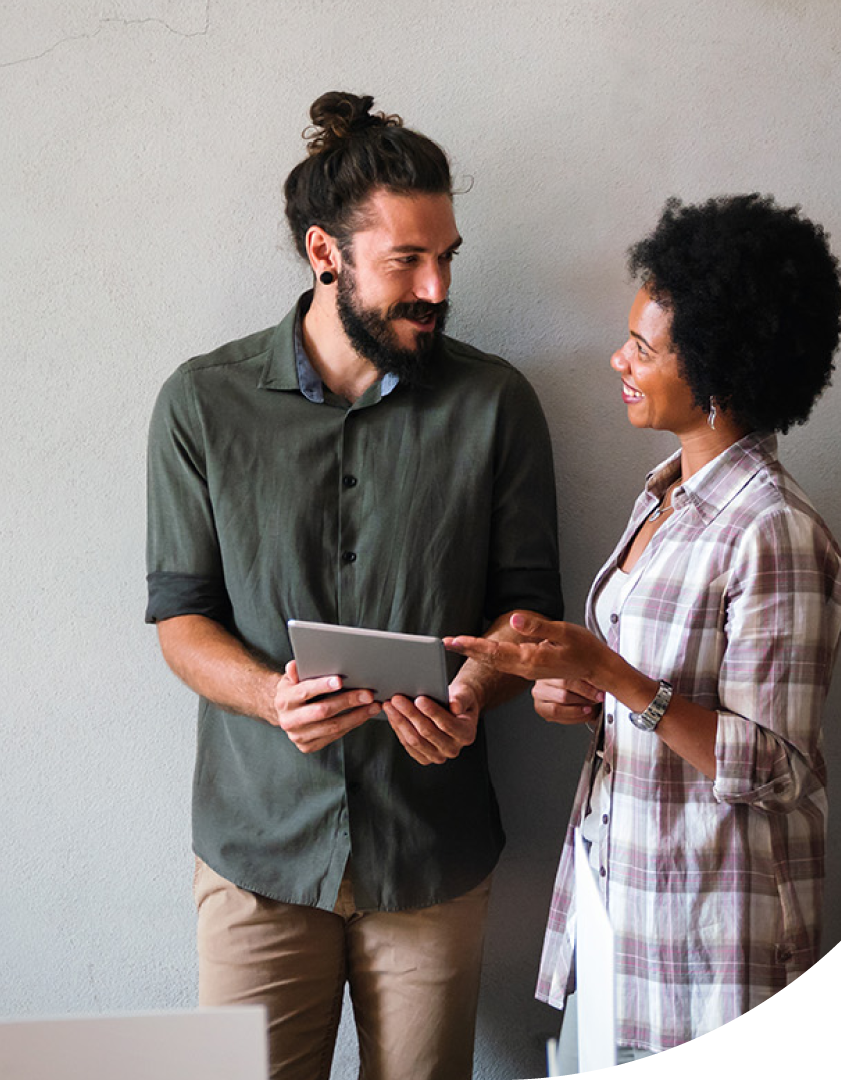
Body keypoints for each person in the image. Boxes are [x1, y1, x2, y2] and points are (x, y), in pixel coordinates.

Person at [145, 92, 562, 1080]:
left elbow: (527, 617)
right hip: (256, 853)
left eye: (446, 258)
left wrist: (475, 689)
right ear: (324, 254)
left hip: (430, 853)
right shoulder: (201, 403)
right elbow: (179, 617)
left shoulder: (494, 403)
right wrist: (268, 696)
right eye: (405, 262)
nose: (435, 288)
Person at [447, 194, 841, 1070]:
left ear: (718, 374)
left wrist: (621, 679)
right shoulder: (664, 497)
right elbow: (661, 699)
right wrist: (582, 694)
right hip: (620, 897)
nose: (617, 359)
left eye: (644, 347)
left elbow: (776, 766)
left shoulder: (771, 532)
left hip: (712, 942)